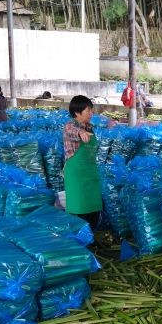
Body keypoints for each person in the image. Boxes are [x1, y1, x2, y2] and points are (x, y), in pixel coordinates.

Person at [63, 95, 101, 230]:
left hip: (90, 174)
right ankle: (79, 239)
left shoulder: (90, 128)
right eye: (88, 110)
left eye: (92, 110)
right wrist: (80, 132)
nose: (92, 113)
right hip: (77, 176)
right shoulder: (70, 125)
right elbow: (72, 129)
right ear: (77, 112)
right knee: (79, 209)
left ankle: (91, 237)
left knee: (94, 209)